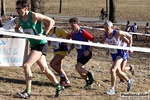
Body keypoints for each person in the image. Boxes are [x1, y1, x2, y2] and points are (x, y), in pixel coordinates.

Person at [15, 0, 64, 98]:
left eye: (19, 8)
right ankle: (59, 86)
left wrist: (44, 34)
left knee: (26, 65)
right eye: (16, 8)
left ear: (26, 8)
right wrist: (20, 34)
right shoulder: (19, 19)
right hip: (33, 45)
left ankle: (28, 91)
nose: (17, 10)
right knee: (44, 69)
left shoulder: (34, 16)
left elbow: (51, 21)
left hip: (41, 44)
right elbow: (16, 28)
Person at [101, 21, 133, 95]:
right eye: (105, 28)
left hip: (121, 53)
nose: (106, 30)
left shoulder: (117, 33)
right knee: (118, 72)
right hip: (113, 54)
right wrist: (108, 50)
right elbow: (107, 42)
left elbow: (130, 36)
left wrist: (130, 47)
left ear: (112, 27)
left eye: (107, 28)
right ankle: (129, 81)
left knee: (112, 70)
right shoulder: (105, 34)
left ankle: (112, 89)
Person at [68, 17, 96, 89]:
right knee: (79, 70)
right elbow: (73, 43)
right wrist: (70, 49)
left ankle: (90, 74)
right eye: (71, 26)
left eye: (73, 26)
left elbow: (94, 40)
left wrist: (88, 50)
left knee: (78, 67)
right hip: (80, 54)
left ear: (78, 24)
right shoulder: (72, 34)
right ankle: (88, 82)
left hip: (86, 53)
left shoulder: (83, 32)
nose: (72, 27)